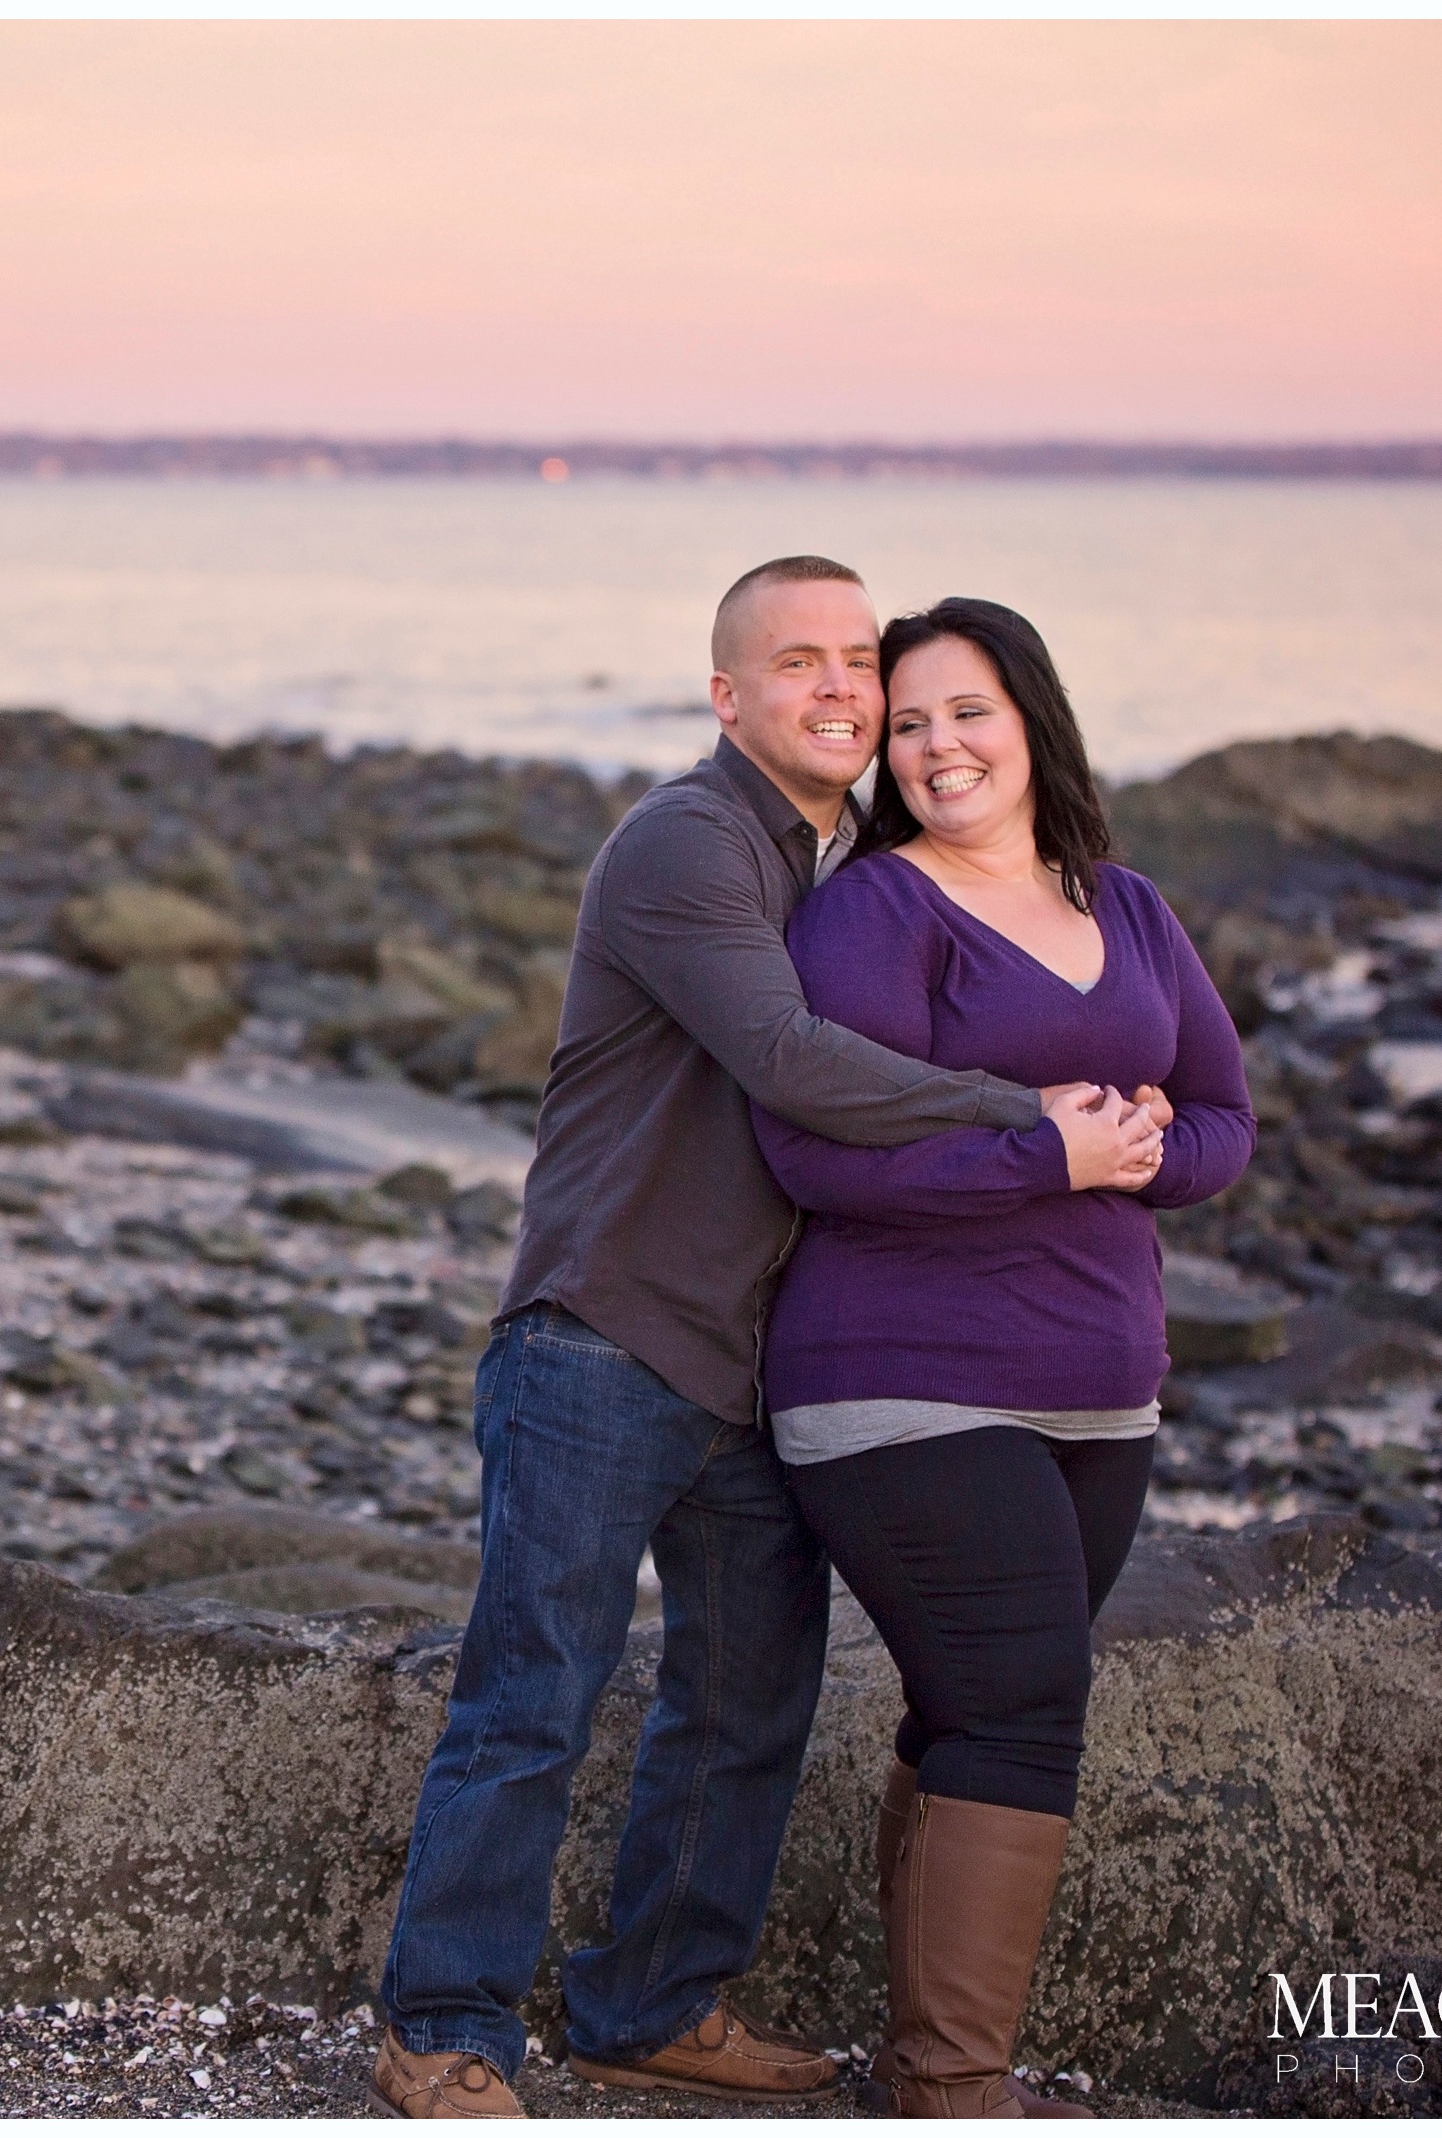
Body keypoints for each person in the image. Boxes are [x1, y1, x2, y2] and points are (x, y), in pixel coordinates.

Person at [370, 559, 1162, 2120]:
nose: (844, 692)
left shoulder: (849, 862)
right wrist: (1034, 1117)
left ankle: (649, 2004)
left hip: (750, 1363)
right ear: (728, 695)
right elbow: (796, 1060)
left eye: (861, 663)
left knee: (743, 1701)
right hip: (603, 1333)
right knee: (534, 1686)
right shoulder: (687, 838)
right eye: (800, 662)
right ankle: (444, 2026)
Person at [752, 596, 1255, 2118]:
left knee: (972, 1706)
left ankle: (921, 2060)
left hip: (1102, 1388)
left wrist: (1141, 1157)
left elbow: (1223, 1117)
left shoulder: (1135, 905)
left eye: (963, 710)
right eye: (905, 725)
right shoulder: (875, 913)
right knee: (1028, 1698)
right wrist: (1049, 1154)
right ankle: (958, 2085)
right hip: (898, 1375)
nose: (935, 744)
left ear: (1029, 717)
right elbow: (815, 1152)